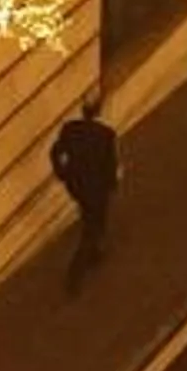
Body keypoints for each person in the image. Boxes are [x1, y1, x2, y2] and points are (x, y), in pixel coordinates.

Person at [49, 89, 120, 294]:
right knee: (93, 227)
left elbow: (56, 151)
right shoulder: (105, 135)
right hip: (96, 189)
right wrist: (112, 185)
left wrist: (62, 173)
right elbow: (110, 164)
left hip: (76, 186)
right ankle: (75, 274)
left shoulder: (70, 128)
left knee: (89, 218)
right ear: (99, 110)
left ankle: (95, 253)